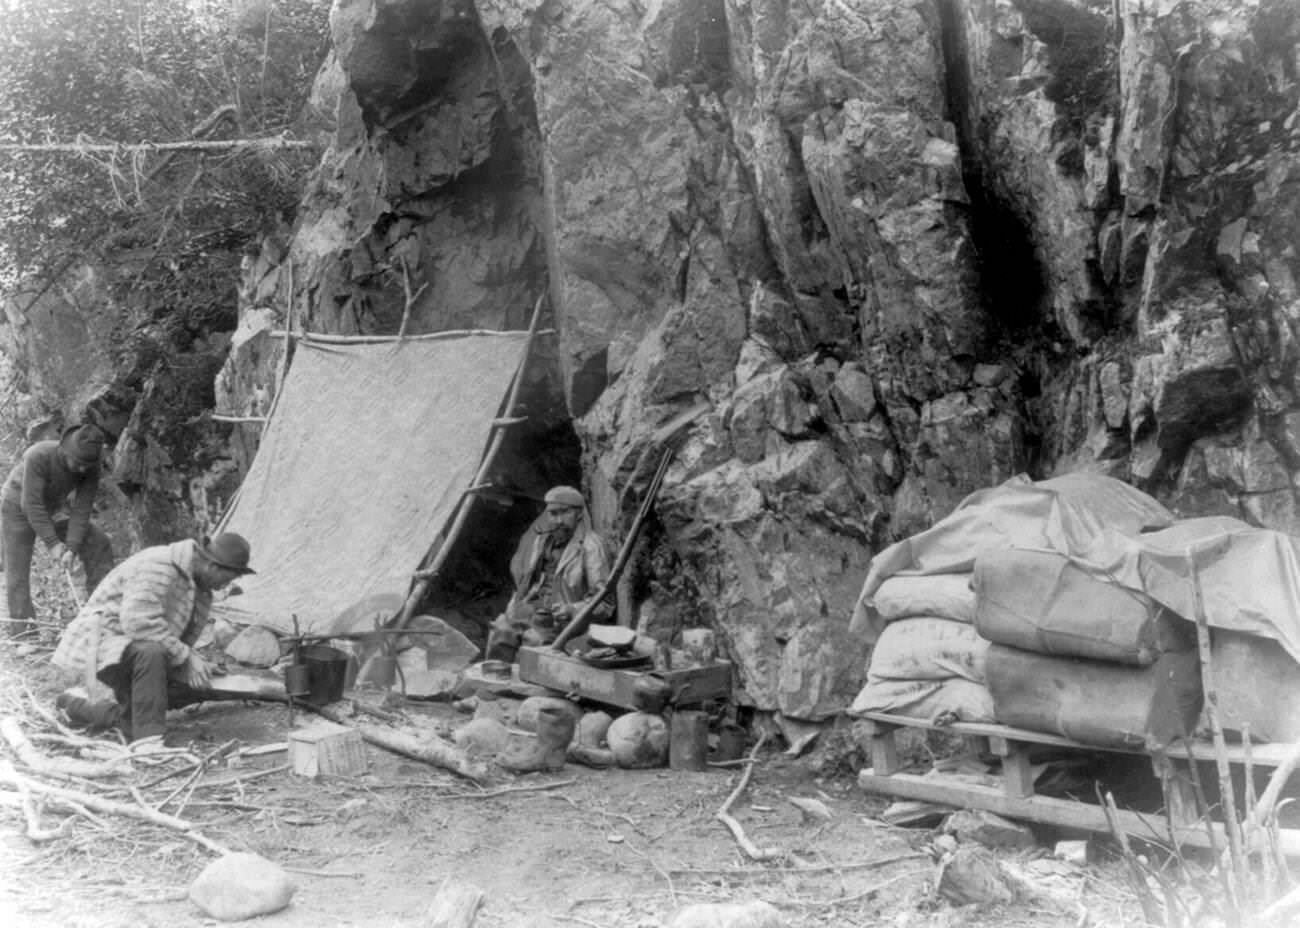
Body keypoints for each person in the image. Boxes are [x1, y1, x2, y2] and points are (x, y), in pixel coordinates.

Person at [51, 532, 256, 748]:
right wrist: (186, 657)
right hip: (100, 642)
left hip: (133, 647)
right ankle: (148, 743)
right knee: (152, 653)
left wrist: (195, 663)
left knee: (134, 723)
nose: (226, 586)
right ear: (213, 567)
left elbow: (174, 640)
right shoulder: (159, 565)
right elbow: (137, 623)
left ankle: (73, 704)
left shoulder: (200, 587)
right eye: (228, 579)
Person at [1, 423, 115, 637]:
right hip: (17, 505)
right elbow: (31, 505)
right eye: (78, 463)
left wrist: (71, 547)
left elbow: (82, 508)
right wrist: (53, 544)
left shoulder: (91, 466)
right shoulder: (39, 455)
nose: (81, 469)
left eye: (86, 466)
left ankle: (100, 616)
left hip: (53, 506)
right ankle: (23, 633)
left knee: (98, 542)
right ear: (64, 449)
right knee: (16, 569)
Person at [485, 485, 612, 663]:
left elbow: (604, 604)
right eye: (553, 514)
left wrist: (571, 609)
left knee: (535, 641)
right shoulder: (543, 541)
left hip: (569, 623)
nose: (558, 520)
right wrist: (517, 605)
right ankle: (497, 682)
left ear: (579, 515)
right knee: (501, 630)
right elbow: (530, 584)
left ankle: (529, 688)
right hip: (537, 612)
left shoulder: (591, 547)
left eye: (564, 513)